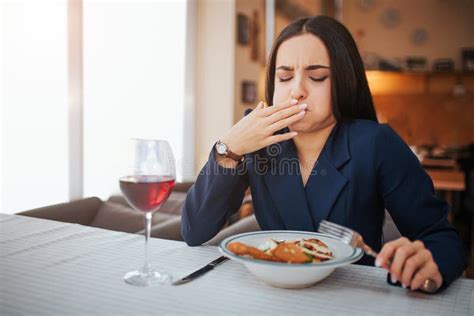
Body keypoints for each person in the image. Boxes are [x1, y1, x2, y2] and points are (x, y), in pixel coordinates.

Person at [181, 16, 466, 293]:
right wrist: (229, 147)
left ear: (343, 81)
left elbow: (441, 238)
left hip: (350, 298)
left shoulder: (375, 143)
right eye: (285, 77)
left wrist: (430, 263)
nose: (297, 91)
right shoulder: (257, 139)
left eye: (316, 77)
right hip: (271, 296)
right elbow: (194, 231)